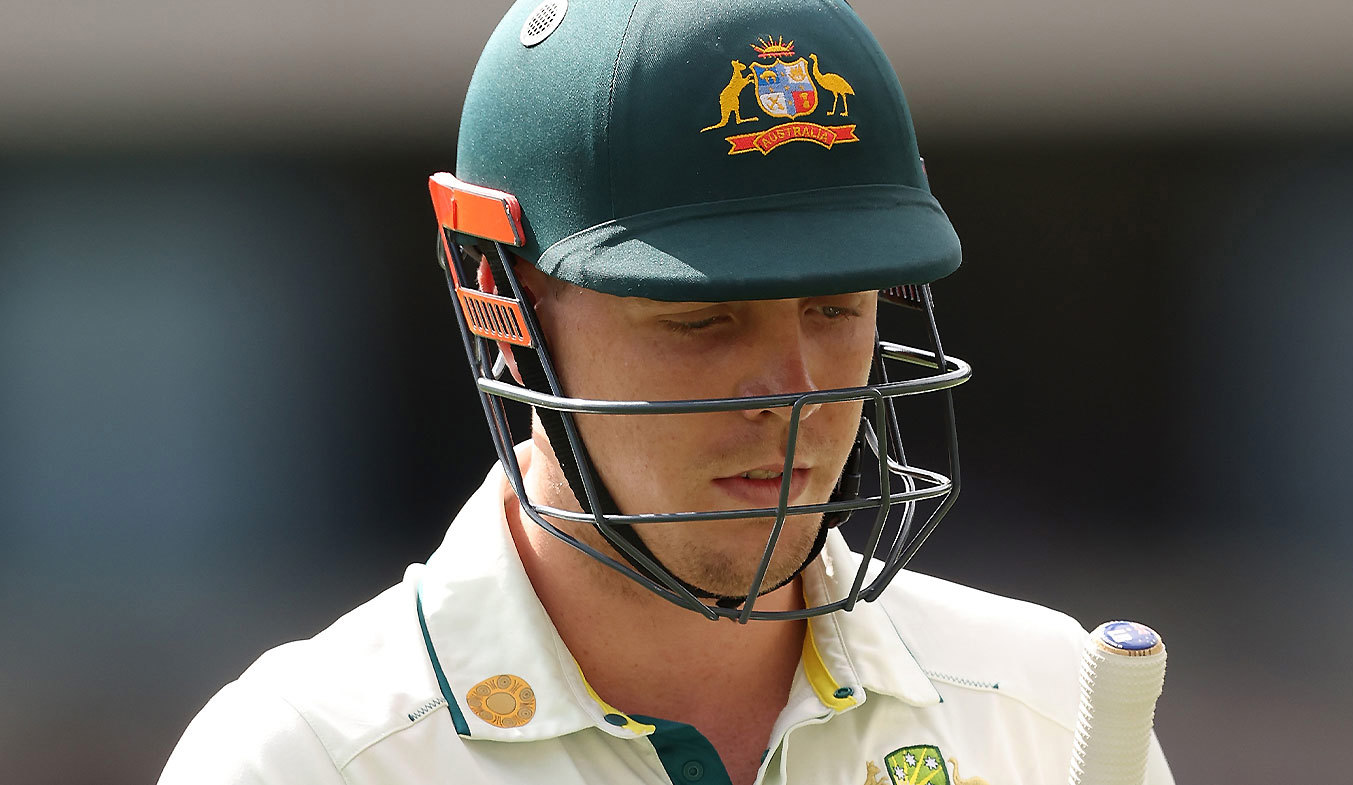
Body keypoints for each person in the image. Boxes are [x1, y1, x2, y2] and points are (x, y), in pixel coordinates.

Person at [160, 1, 1174, 784]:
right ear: (496, 295)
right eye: (700, 319)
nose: (796, 393)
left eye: (835, 310)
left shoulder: (1043, 705)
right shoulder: (305, 757)